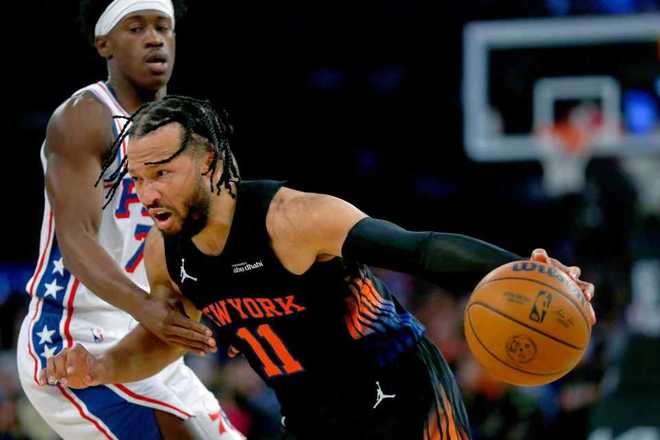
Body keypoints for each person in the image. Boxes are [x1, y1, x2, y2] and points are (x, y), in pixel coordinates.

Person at [43, 96, 597, 439]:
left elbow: (420, 250)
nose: (146, 194)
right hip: (310, 420)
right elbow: (166, 336)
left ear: (209, 161)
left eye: (161, 173)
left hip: (404, 399)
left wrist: (532, 272)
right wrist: (102, 366)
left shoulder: (294, 219)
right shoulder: (165, 251)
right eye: (137, 179)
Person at [18, 2, 243, 439]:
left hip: (148, 343)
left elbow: (211, 244)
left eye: (163, 27)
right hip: (70, 338)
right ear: (104, 44)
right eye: (136, 28)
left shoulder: (190, 134)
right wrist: (145, 306)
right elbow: (76, 238)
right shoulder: (86, 116)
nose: (154, 39)